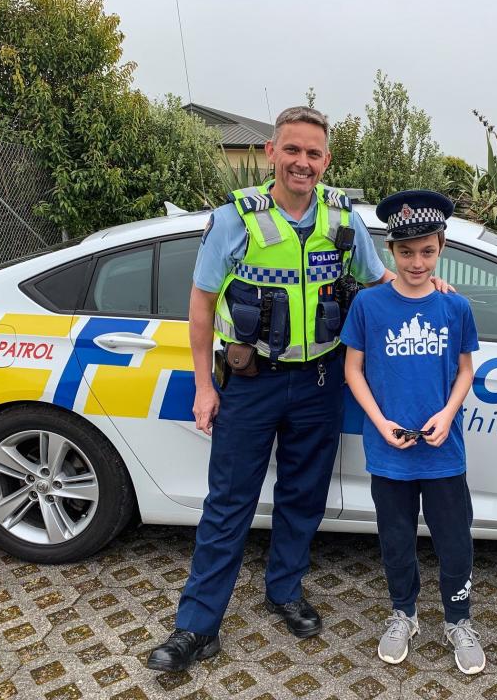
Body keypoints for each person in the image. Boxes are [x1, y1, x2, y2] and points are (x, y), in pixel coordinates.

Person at [148, 107, 412, 672]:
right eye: (292, 150)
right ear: (271, 153)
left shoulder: (345, 219)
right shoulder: (235, 220)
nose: (302, 162)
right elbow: (200, 304)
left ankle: (284, 590)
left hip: (319, 381)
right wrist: (202, 385)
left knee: (303, 497)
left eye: (313, 154)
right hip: (249, 384)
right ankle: (196, 626)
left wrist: (423, 285)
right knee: (228, 505)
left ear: (326, 161)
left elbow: (376, 279)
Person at [341, 190, 485, 675]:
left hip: (444, 452)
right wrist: (380, 423)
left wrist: (447, 414)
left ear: (441, 247)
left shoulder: (455, 307)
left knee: (454, 540)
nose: (417, 261)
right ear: (391, 252)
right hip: (390, 452)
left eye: (427, 251)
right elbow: (354, 371)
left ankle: (458, 618)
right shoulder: (368, 305)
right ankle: (403, 611)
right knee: (396, 539)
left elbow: (466, 370)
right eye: (406, 252)